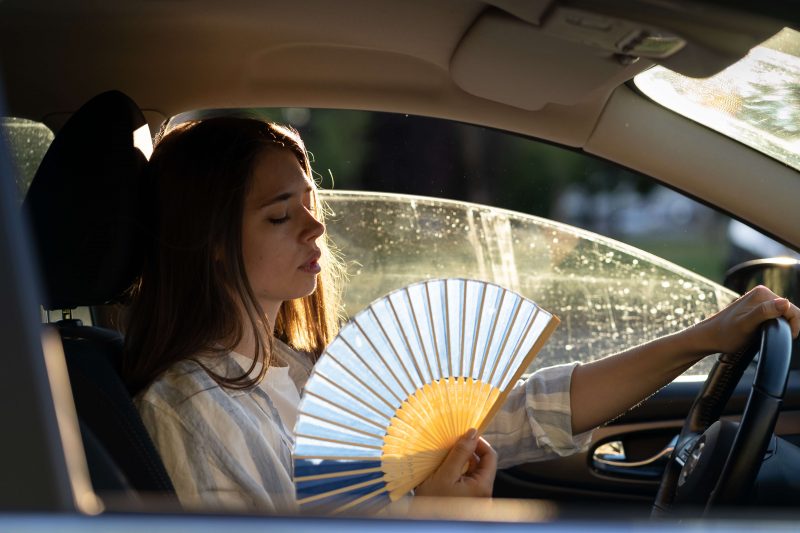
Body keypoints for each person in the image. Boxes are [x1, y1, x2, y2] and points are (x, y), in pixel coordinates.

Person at [123, 117, 800, 512]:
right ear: (210, 243)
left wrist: (705, 338)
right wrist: (433, 516)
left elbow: (527, 410)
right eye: (280, 214)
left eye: (309, 204)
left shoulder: (300, 370)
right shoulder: (192, 408)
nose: (314, 228)